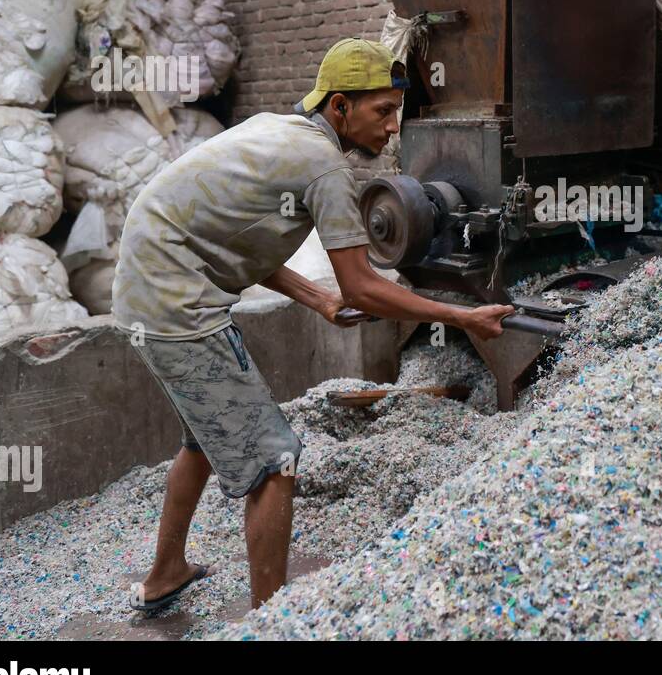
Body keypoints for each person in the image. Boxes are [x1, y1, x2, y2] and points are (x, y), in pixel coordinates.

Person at [111, 38, 513, 613]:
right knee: (276, 458)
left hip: (148, 289)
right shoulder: (324, 167)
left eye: (397, 111)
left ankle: (165, 572)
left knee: (202, 437)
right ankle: (272, 621)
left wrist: (318, 301)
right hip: (176, 305)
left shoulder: (277, 128)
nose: (393, 128)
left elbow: (240, 239)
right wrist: (461, 314)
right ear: (340, 107)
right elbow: (365, 286)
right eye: (382, 111)